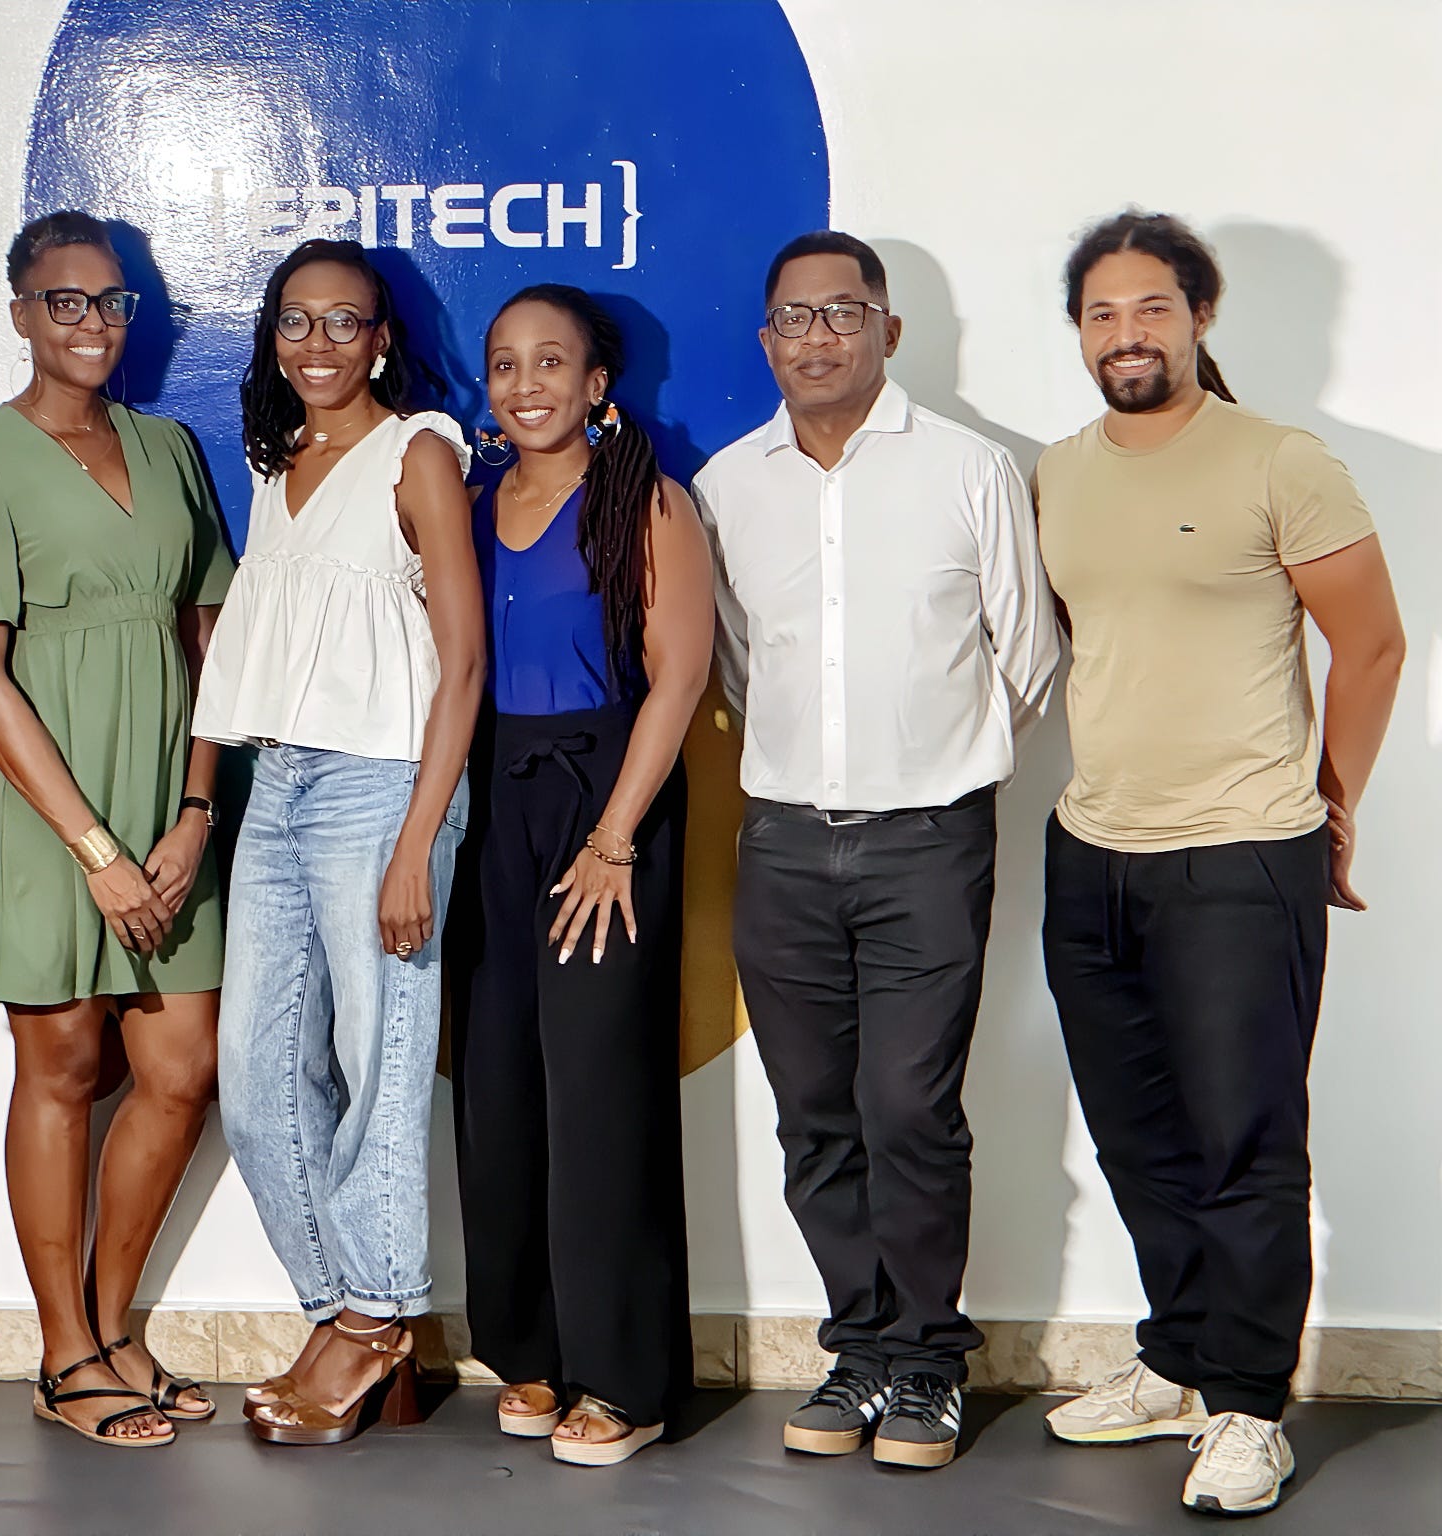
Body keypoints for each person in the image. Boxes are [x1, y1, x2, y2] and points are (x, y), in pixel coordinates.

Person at [1035, 211, 1404, 1517]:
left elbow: (1371, 644)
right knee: (1138, 1138)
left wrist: (1332, 801)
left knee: (1244, 1138)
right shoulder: (1058, 473)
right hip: (1091, 851)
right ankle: (1182, 1358)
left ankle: (1248, 1405)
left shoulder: (1276, 461)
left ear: (1199, 315)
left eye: (1151, 307)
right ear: (1078, 332)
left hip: (1242, 854)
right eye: (1101, 313)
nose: (1126, 333)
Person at [695, 231, 1060, 1470]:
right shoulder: (726, 486)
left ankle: (928, 1362)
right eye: (793, 317)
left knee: (909, 1108)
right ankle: (857, 1349)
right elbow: (736, 665)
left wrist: (931, 768)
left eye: (843, 313)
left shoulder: (969, 468)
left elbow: (1025, 657)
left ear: (887, 330)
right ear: (766, 340)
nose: (818, 338)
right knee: (813, 1116)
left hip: (927, 844)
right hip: (782, 843)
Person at [0, 211, 233, 1449]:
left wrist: (194, 811)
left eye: (110, 302)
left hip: (168, 802)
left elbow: (209, 638)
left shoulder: (169, 446)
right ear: (21, 314)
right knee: (62, 1070)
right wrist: (94, 849)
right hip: (43, 815)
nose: (91, 323)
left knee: (179, 1070)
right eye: (64, 301)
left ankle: (111, 1324)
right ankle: (61, 1353)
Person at [194, 238, 481, 1446]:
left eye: (342, 322)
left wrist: (417, 839)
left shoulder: (418, 452)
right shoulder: (277, 462)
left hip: (382, 787)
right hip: (278, 782)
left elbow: (461, 662)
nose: (317, 344)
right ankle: (345, 1313)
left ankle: (374, 1319)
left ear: (380, 339)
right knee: (257, 1079)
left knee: (379, 1062)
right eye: (295, 321)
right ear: (272, 338)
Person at [449, 285, 709, 1467]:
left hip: (606, 797)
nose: (525, 384)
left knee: (599, 1089)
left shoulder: (644, 501)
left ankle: (625, 1376)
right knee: (498, 1081)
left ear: (596, 383)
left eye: (550, 361)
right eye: (504, 363)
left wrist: (612, 841)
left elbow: (678, 677)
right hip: (492, 797)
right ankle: (534, 1348)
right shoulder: (468, 503)